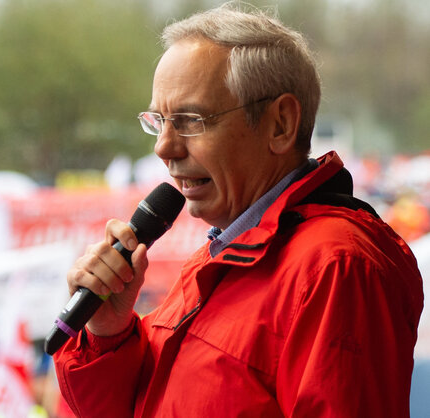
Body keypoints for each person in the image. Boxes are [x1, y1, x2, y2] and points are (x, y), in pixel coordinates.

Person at [52, 3, 424, 417]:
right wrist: (108, 333)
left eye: (191, 120)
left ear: (280, 124)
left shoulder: (335, 266)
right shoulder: (226, 254)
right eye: (159, 121)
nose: (164, 148)